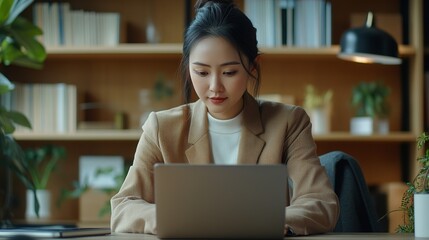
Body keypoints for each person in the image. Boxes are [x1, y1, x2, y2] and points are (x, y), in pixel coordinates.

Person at [110, 0, 339, 236]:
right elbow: (124, 207)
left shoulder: (288, 122)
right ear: (188, 65)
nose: (215, 87)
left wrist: (267, 221)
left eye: (229, 72)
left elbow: (320, 204)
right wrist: (172, 219)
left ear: (253, 66)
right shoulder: (162, 127)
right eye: (201, 72)